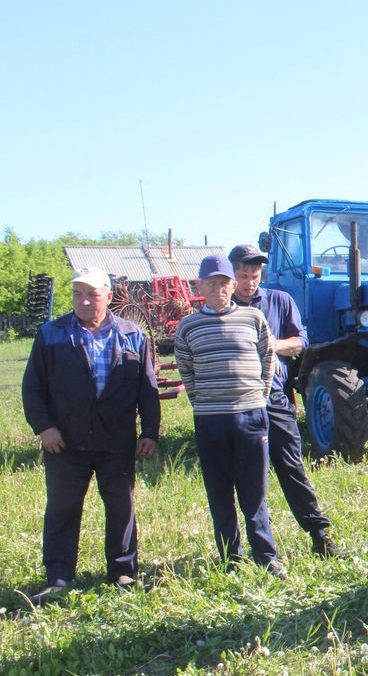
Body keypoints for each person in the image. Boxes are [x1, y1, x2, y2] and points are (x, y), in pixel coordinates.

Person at [21, 267, 161, 605]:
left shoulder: (132, 335)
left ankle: (122, 570)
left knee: (121, 507)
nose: (83, 301)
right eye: (77, 294)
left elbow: (148, 388)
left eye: (92, 294)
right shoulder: (51, 334)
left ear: (108, 297)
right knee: (62, 508)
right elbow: (33, 387)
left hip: (117, 441)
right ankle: (58, 575)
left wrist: (150, 433)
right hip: (65, 442)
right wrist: (45, 428)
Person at [175, 254, 284, 577]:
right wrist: (204, 402)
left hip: (251, 416)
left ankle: (266, 556)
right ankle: (230, 559)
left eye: (224, 283)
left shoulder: (253, 318)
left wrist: (259, 396)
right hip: (211, 419)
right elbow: (186, 369)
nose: (219, 289)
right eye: (212, 283)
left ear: (233, 285)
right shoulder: (188, 326)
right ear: (200, 287)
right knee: (219, 491)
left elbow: (268, 359)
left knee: (255, 492)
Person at [229, 243, 339, 557]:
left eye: (254, 274)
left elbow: (300, 341)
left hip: (274, 397)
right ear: (231, 274)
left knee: (291, 465)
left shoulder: (279, 300)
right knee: (249, 474)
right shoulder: (225, 309)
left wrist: (271, 344)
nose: (249, 281)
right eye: (242, 275)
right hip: (238, 401)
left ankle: (320, 535)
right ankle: (253, 548)